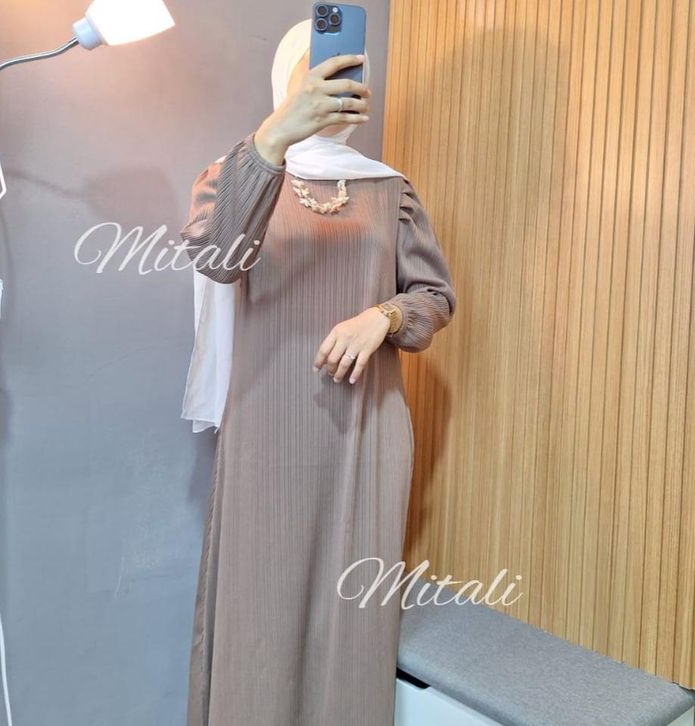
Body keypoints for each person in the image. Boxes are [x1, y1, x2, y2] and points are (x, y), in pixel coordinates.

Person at [179, 18, 456, 726]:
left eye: (350, 72)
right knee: (259, 614)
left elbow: (435, 297)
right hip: (268, 429)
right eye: (320, 72)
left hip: (366, 432)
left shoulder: (390, 192)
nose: (338, 85)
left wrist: (383, 317)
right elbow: (217, 257)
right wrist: (276, 136)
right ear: (288, 82)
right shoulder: (236, 175)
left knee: (352, 620)